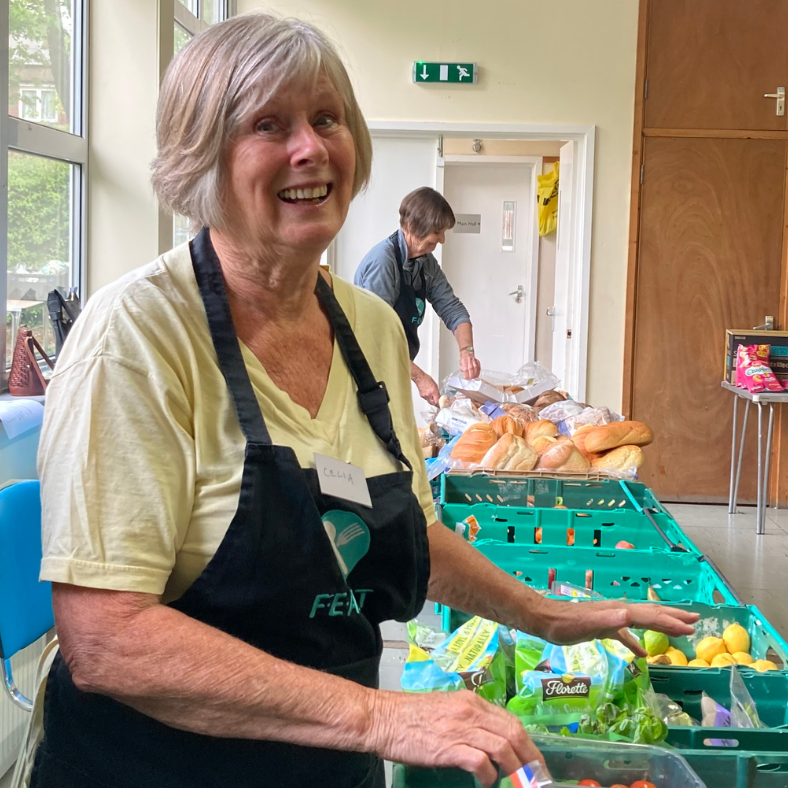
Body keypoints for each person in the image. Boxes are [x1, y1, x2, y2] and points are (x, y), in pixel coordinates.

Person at [32, 13, 698, 788]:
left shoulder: (372, 331)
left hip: (327, 767)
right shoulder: (137, 337)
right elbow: (106, 639)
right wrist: (382, 716)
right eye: (268, 124)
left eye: (326, 118)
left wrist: (547, 615)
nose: (310, 148)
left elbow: (409, 535)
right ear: (202, 161)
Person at [355, 188, 481, 406]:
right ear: (412, 228)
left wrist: (466, 352)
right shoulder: (384, 263)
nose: (442, 239)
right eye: (437, 232)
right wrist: (420, 378)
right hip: (368, 371)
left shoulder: (424, 261)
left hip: (396, 364)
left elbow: (452, 309)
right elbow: (376, 337)